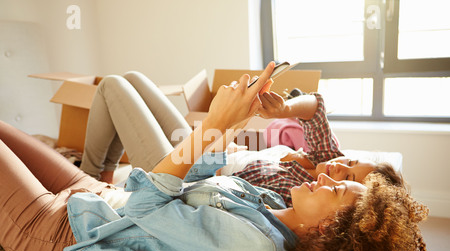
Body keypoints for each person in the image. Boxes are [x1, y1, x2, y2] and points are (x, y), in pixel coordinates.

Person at [0, 62, 428, 251]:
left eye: (338, 188)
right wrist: (229, 124)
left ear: (327, 229)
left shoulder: (255, 250)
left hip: (59, 228)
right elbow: (200, 175)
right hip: (96, 196)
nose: (330, 174)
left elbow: (144, 205)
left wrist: (212, 129)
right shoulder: (269, 204)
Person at [79, 68, 402, 207]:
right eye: (351, 162)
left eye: (346, 178)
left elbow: (218, 189)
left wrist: (227, 129)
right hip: (208, 149)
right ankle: (105, 175)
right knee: (133, 79)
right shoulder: (325, 158)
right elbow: (317, 105)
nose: (338, 169)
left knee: (112, 86)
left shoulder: (301, 196)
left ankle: (90, 178)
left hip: (182, 172)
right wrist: (282, 110)